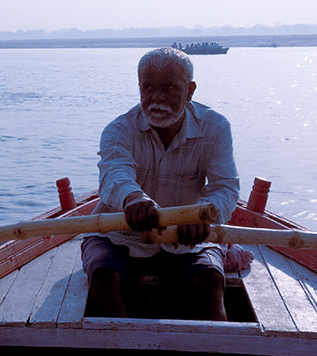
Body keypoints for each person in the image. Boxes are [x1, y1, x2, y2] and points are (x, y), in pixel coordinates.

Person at [82, 47, 239, 321]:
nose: (157, 98)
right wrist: (133, 199)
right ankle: (127, 354)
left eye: (169, 87)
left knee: (210, 283)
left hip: (188, 237)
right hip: (119, 236)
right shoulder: (119, 129)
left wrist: (201, 214)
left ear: (190, 91)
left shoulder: (216, 127)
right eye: (148, 87)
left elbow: (226, 188)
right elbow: (114, 174)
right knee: (104, 280)